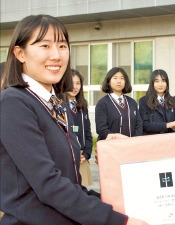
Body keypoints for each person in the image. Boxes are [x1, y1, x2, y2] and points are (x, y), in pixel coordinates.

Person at [0, 14, 148, 225]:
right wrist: (119, 221)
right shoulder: (13, 103)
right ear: (20, 53)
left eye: (62, 46)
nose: (56, 55)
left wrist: (120, 205)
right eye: (44, 46)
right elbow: (49, 184)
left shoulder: (53, 104)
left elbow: (71, 183)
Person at [63, 69, 93, 187]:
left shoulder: (82, 106)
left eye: (78, 83)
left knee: (83, 193)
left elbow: (87, 132)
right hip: (67, 157)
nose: (75, 87)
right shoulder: (59, 105)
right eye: (71, 83)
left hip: (82, 157)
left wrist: (86, 154)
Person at [95, 67, 143, 141]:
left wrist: (134, 140)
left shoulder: (132, 102)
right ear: (109, 81)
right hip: (111, 147)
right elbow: (101, 129)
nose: (119, 81)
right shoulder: (102, 103)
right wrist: (118, 139)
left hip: (132, 146)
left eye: (122, 78)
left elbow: (139, 124)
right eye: (115, 78)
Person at [139, 69, 175, 134]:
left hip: (170, 140)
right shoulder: (144, 101)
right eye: (157, 81)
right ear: (152, 83)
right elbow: (145, 125)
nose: (160, 84)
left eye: (163, 81)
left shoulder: (172, 100)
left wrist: (174, 127)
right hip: (152, 141)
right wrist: (166, 125)